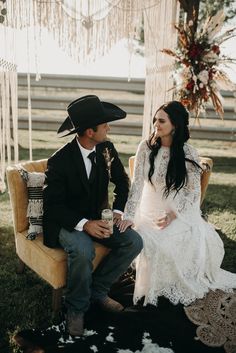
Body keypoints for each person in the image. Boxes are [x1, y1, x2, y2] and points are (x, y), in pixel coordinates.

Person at [117, 100, 236, 307]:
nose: (156, 124)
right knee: (150, 243)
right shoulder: (145, 147)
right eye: (155, 119)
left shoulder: (189, 152)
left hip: (176, 212)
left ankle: (166, 286)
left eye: (161, 120)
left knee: (177, 242)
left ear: (176, 125)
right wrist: (129, 216)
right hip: (147, 211)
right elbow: (136, 186)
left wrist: (174, 214)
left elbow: (192, 194)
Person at [43, 95, 143, 336]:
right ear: (89, 131)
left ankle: (98, 291)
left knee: (134, 241)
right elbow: (52, 206)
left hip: (101, 219)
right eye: (104, 124)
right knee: (83, 249)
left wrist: (118, 213)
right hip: (68, 222)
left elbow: (122, 181)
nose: (108, 128)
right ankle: (76, 308)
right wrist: (85, 224)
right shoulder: (60, 161)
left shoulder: (106, 149)